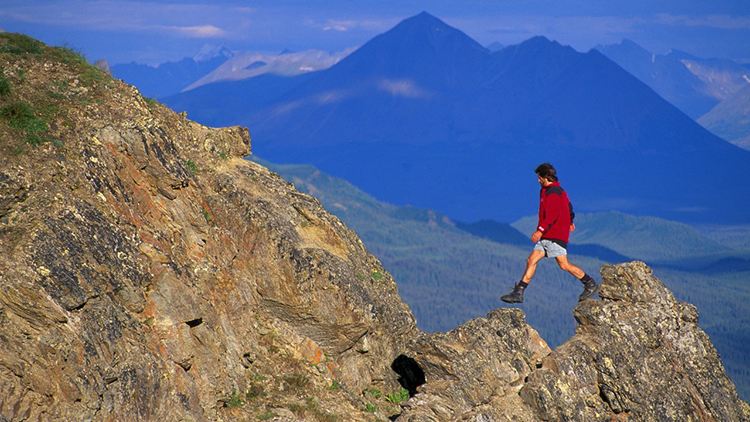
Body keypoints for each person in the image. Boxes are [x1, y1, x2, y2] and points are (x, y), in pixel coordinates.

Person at [500, 163, 599, 304]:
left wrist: (539, 231)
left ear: (545, 177)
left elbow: (551, 215)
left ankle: (589, 283)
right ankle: (519, 292)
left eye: (539, 177)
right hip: (548, 234)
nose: (537, 180)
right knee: (531, 260)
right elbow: (569, 206)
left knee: (563, 264)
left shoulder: (554, 192)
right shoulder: (548, 190)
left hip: (555, 234)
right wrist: (571, 221)